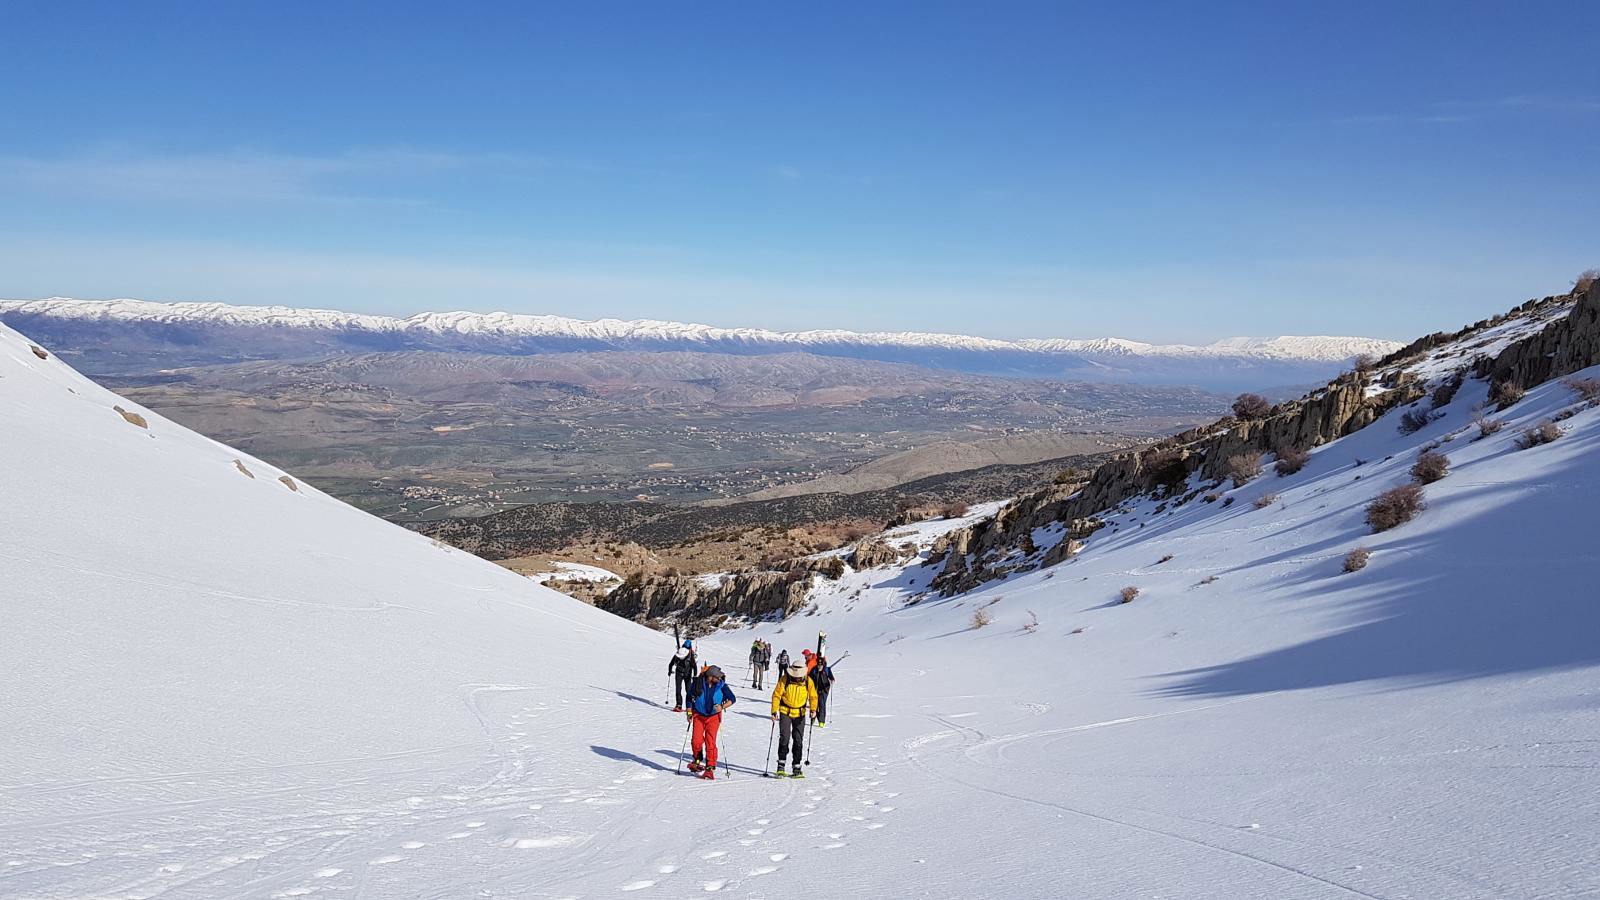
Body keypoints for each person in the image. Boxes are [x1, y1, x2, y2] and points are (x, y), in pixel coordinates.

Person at [685, 665, 735, 779]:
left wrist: (722, 707)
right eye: (717, 677)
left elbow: (733, 698)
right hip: (698, 715)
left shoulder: (722, 685)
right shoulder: (698, 683)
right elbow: (689, 697)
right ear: (710, 676)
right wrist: (688, 712)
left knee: (710, 741)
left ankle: (710, 767)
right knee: (696, 740)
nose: (719, 679)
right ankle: (697, 759)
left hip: (713, 717)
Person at [769, 660, 818, 778]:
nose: (797, 678)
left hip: (800, 713)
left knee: (798, 740)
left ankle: (796, 766)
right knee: (784, 738)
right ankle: (781, 765)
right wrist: (774, 711)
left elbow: (813, 696)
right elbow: (776, 695)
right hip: (785, 712)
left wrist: (813, 709)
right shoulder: (784, 679)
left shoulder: (808, 681)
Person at [668, 640, 697, 712]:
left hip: (688, 674)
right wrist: (669, 671)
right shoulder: (679, 653)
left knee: (688, 690)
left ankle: (690, 706)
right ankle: (679, 705)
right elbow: (671, 663)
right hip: (679, 673)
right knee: (678, 689)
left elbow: (694, 666)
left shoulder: (690, 656)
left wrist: (695, 676)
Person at [811, 653, 835, 727]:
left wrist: (832, 680)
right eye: (818, 665)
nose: (819, 667)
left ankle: (821, 721)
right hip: (815, 689)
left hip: (824, 690)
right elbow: (809, 678)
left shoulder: (827, 670)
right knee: (814, 705)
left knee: (821, 704)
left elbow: (831, 677)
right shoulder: (814, 670)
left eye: (820, 665)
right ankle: (813, 718)